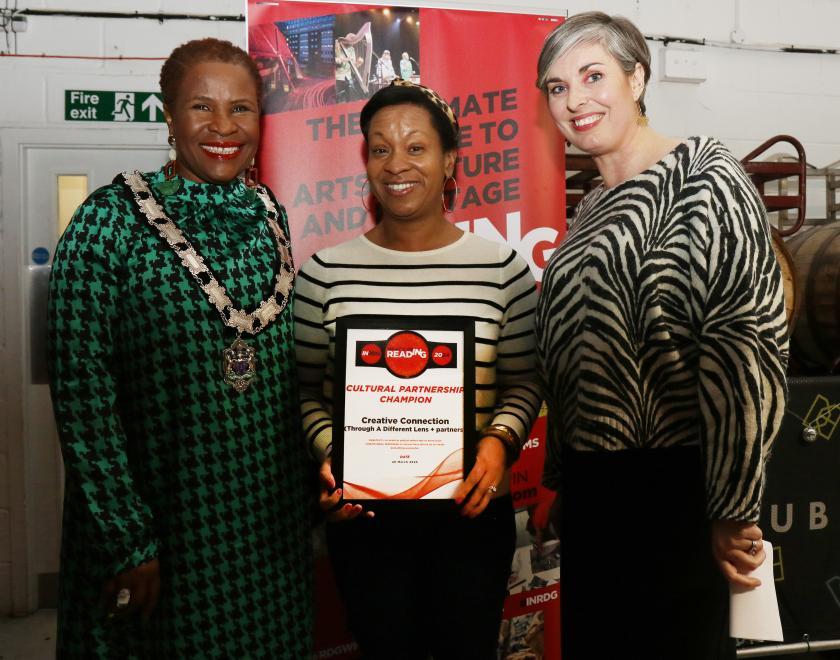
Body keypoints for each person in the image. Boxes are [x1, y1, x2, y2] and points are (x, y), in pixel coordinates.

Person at [533, 12, 789, 659]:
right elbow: (575, 356)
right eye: (558, 87)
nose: (575, 99)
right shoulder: (590, 210)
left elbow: (746, 347)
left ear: (637, 78)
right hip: (595, 495)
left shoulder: (705, 176)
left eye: (593, 76)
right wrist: (563, 480)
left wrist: (733, 505)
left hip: (680, 492)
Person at [48, 38, 312, 658]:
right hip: (164, 528)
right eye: (202, 107)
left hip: (269, 531)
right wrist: (127, 539)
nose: (224, 126)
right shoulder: (106, 223)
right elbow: (83, 399)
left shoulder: (270, 214)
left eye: (241, 108)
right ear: (168, 115)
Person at [294, 79, 542, 659]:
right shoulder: (324, 273)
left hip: (469, 515)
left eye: (416, 147)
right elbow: (305, 391)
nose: (396, 164)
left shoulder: (501, 269)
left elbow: (525, 381)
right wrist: (333, 455)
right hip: (365, 519)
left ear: (449, 159)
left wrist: (498, 445)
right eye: (380, 148)